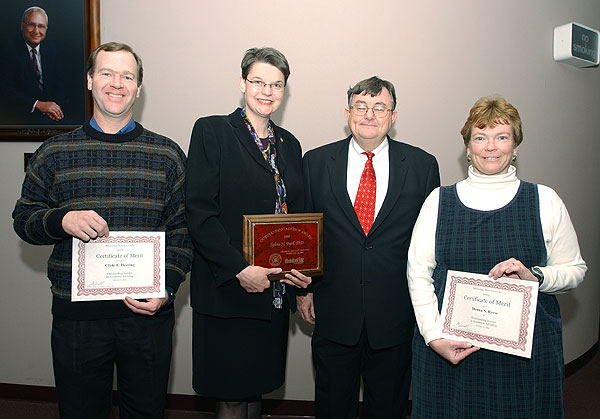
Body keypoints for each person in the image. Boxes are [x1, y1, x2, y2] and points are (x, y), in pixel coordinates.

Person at [12, 42, 192, 419]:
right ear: (90, 80)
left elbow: (183, 233)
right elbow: (24, 218)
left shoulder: (168, 154)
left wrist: (168, 286)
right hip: (77, 320)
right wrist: (62, 220)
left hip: (147, 316)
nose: (117, 83)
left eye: (128, 76)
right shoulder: (55, 151)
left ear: (139, 88)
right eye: (107, 73)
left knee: (145, 412)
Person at [407, 95, 587, 418]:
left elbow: (575, 270)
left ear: (515, 146)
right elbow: (417, 273)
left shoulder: (545, 201)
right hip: (452, 350)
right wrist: (434, 337)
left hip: (526, 355)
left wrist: (537, 277)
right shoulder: (438, 202)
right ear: (468, 147)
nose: (490, 147)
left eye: (501, 137)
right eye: (480, 137)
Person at [297, 76, 440, 418]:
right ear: (347, 112)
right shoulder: (315, 163)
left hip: (395, 315)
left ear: (393, 116)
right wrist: (302, 292)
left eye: (379, 107)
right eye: (361, 106)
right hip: (333, 313)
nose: (369, 115)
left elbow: (430, 244)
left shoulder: (422, 166)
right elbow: (303, 236)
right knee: (333, 407)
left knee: (388, 409)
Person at [186, 47, 311, 419]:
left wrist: (300, 274)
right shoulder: (212, 131)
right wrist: (241, 269)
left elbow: (297, 219)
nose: (267, 91)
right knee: (231, 396)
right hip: (229, 290)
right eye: (258, 81)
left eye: (277, 84)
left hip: (272, 293)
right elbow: (199, 212)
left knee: (257, 388)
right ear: (242, 83)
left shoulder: (290, 145)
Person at [0, 6, 66, 124]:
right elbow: (5, 91)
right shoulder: (7, 51)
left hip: (51, 116)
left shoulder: (51, 50)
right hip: (19, 115)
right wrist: (38, 105)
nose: (36, 31)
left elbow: (60, 86)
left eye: (41, 26)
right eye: (31, 25)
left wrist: (54, 109)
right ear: (22, 26)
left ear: (46, 29)